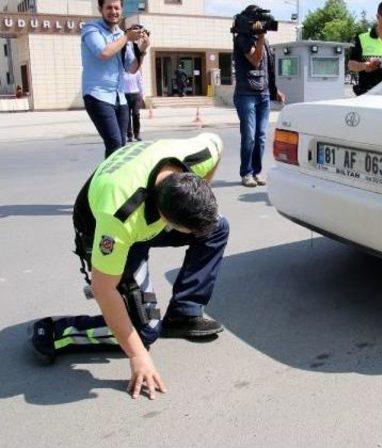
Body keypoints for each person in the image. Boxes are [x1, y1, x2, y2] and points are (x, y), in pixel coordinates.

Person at [29, 133, 229, 400]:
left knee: (216, 227)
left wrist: (203, 193)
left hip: (147, 215)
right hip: (101, 230)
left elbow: (217, 141)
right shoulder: (119, 216)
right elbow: (103, 289)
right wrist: (137, 355)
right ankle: (56, 331)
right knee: (144, 333)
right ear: (166, 219)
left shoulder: (197, 154)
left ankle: (184, 312)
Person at [82, 0, 150, 157]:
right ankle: (106, 181)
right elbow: (103, 53)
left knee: (120, 146)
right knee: (115, 144)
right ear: (100, 9)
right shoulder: (91, 29)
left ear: (121, 10)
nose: (113, 11)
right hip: (97, 95)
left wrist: (143, 49)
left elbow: (132, 68)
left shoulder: (120, 35)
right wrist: (126, 37)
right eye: (109, 7)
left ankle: (107, 180)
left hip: (120, 98)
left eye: (116, 8)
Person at [232, 4, 285, 188]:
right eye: (258, 20)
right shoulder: (242, 39)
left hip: (263, 94)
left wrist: (275, 90)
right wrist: (261, 37)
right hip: (246, 94)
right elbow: (255, 61)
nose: (262, 25)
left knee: (261, 136)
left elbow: (268, 67)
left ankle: (256, 172)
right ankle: (246, 173)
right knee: (249, 136)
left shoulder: (265, 42)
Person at [124, 70, 144, 142]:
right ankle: (129, 135)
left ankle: (137, 134)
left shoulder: (136, 71)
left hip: (135, 94)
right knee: (127, 116)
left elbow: (140, 83)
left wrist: (142, 95)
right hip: (125, 95)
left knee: (136, 114)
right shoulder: (122, 71)